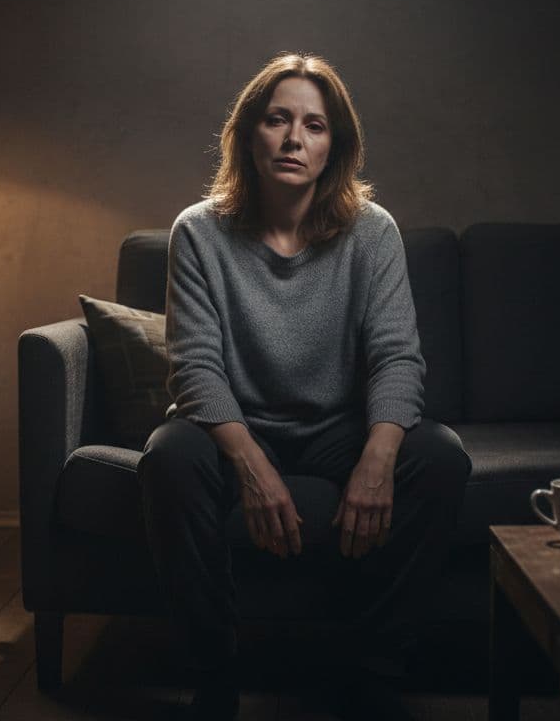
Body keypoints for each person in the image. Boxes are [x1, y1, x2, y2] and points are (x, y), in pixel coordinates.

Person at [138, 52, 472, 721]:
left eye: (314, 126)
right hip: (233, 430)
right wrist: (252, 465)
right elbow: (195, 366)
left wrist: (378, 458)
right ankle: (214, 677)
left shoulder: (372, 232)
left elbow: (397, 357)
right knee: (169, 455)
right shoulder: (198, 231)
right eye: (277, 120)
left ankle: (373, 674)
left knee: (439, 457)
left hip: (336, 431)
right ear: (248, 135)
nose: (294, 139)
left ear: (334, 146)